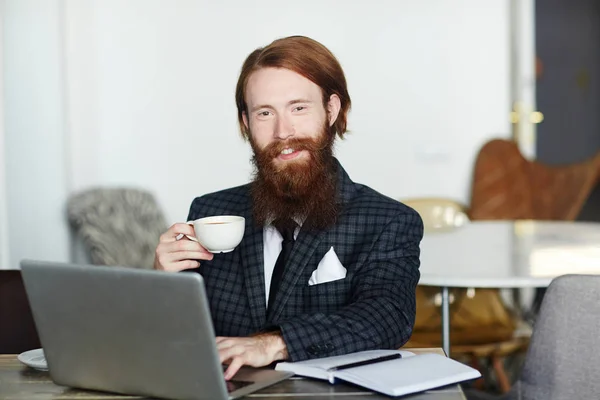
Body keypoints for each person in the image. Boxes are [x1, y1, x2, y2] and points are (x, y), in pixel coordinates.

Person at [153, 35, 423, 380]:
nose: (284, 131)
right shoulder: (210, 210)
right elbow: (179, 335)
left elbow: (386, 317)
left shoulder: (389, 221)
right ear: (246, 124)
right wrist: (163, 283)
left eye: (299, 108)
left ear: (331, 110)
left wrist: (274, 343)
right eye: (265, 113)